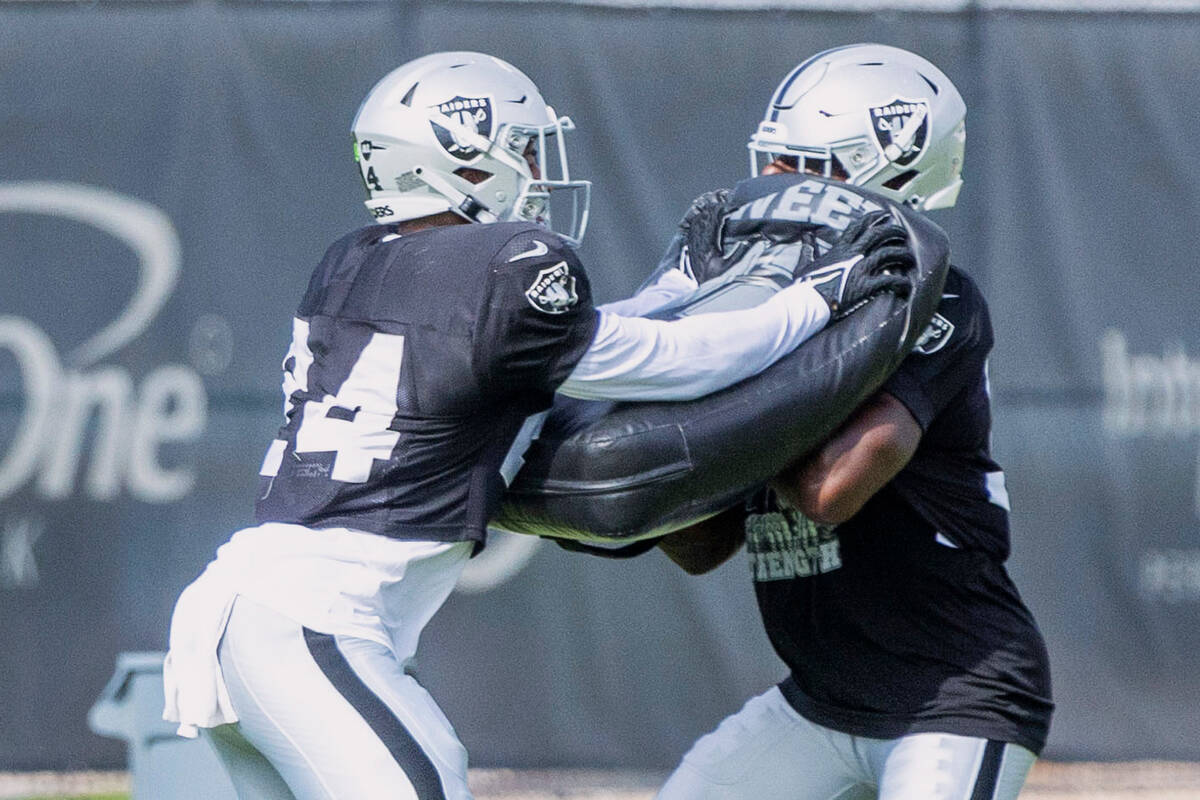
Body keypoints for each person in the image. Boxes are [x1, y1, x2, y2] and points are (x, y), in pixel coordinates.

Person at [162, 51, 914, 800]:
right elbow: (684, 361)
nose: (535, 170)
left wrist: (677, 287)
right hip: (312, 623)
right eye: (522, 150)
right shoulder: (506, 263)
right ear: (460, 162)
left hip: (244, 605)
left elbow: (537, 342)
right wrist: (817, 299)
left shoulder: (356, 260)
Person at [654, 44, 1054, 800]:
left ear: (887, 176)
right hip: (819, 698)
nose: (769, 186)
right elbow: (697, 543)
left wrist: (720, 403)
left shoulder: (936, 301)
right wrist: (641, 461)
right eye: (769, 161)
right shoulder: (765, 319)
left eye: (800, 164)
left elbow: (829, 488)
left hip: (956, 700)